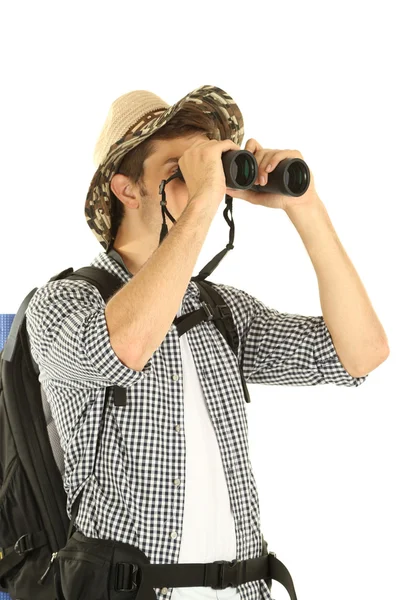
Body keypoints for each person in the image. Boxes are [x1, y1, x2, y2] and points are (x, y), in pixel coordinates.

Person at [25, 85, 389, 600]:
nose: (207, 181)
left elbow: (360, 352)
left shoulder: (218, 311)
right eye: (181, 167)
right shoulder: (63, 302)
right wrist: (200, 204)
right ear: (127, 189)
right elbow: (125, 347)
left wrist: (305, 207)